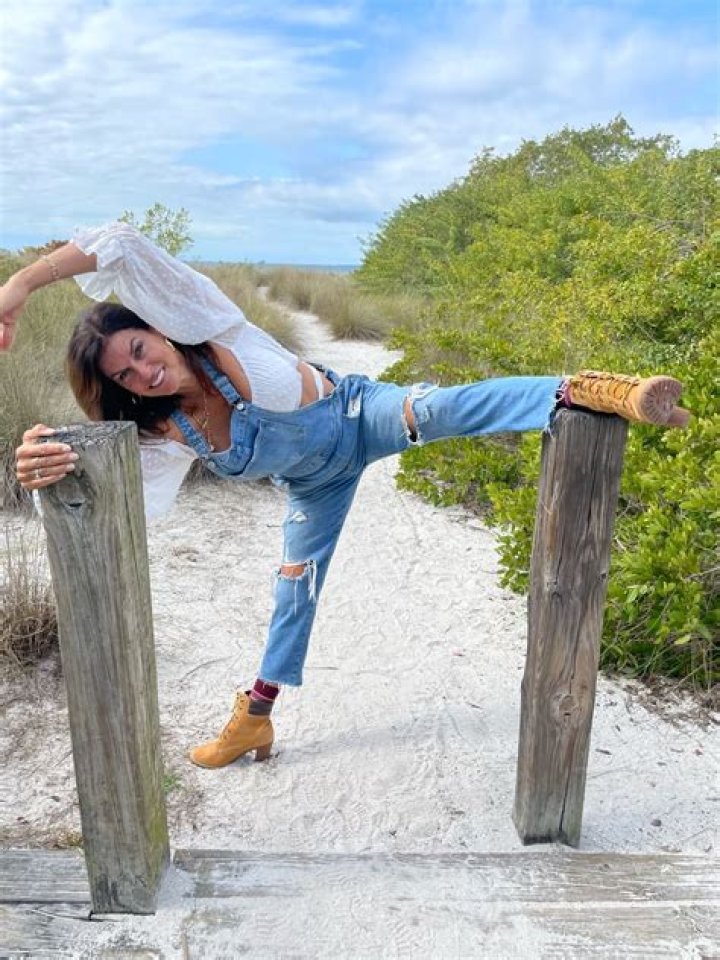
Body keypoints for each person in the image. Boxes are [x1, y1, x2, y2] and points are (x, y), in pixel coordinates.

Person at [0, 222, 690, 770]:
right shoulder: (165, 433)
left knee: (436, 408)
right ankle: (255, 719)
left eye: (140, 349)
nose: (144, 371)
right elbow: (109, 501)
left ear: (156, 326)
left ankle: (593, 389)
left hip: (361, 414)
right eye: (125, 375)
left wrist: (21, 284)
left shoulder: (212, 325)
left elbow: (119, 243)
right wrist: (47, 467)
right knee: (293, 591)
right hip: (315, 484)